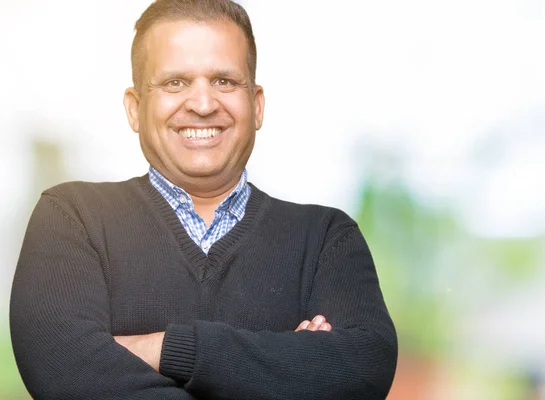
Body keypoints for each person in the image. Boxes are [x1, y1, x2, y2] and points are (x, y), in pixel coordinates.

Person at [10, 0, 397, 399]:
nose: (202, 104)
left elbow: (363, 369)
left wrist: (166, 350)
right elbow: (67, 375)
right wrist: (285, 370)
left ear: (257, 104)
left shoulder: (324, 240)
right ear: (135, 108)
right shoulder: (73, 220)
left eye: (224, 82)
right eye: (175, 82)